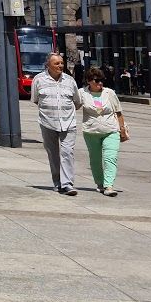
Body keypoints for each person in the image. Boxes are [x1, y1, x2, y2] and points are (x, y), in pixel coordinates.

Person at [31, 52, 81, 195]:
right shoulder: (38, 79)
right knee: (53, 153)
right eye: (57, 63)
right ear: (48, 65)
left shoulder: (70, 80)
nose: (60, 66)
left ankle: (67, 184)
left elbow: (77, 102)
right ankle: (57, 182)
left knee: (67, 152)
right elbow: (35, 99)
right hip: (48, 122)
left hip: (68, 122)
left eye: (61, 63)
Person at [76, 66, 127, 196]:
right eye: (96, 80)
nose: (100, 83)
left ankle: (109, 185)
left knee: (110, 158)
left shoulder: (109, 93)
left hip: (111, 130)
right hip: (91, 131)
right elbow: (74, 106)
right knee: (95, 159)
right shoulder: (82, 93)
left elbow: (118, 112)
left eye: (101, 80)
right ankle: (100, 183)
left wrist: (122, 129)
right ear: (88, 81)